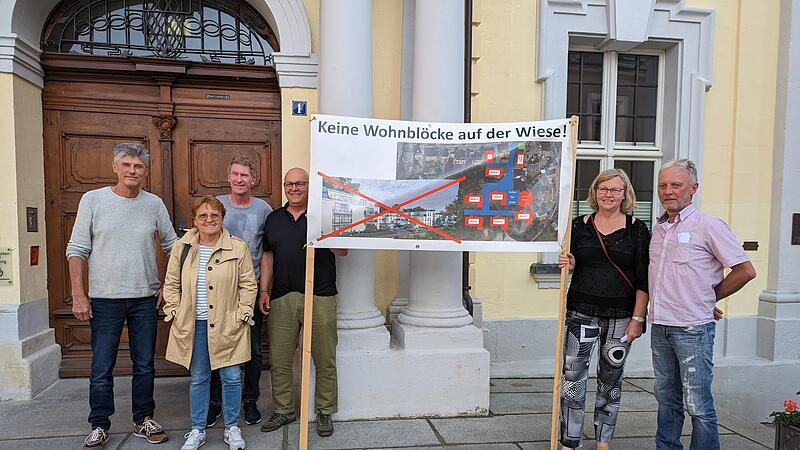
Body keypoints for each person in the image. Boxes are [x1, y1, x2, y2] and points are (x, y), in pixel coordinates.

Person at [66, 143, 176, 450]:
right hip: (105, 298)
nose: (132, 171)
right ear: (116, 167)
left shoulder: (153, 204)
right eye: (126, 165)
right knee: (102, 366)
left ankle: (144, 419)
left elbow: (173, 246)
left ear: (145, 171)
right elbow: (76, 249)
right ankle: (99, 425)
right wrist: (78, 293)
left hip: (145, 298)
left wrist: (168, 284)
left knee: (145, 365)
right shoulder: (93, 200)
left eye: (138, 166)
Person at [649, 159, 756, 450]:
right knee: (666, 399)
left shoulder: (708, 226)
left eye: (676, 185)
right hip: (660, 326)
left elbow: (745, 270)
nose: (668, 191)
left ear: (693, 188)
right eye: (663, 185)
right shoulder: (658, 229)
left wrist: (708, 298)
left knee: (697, 403)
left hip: (692, 329)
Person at [557, 168, 651, 450]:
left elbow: (644, 278)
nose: (608, 194)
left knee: (610, 381)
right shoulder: (579, 225)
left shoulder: (637, 229)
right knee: (572, 379)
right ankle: (570, 441)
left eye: (615, 190)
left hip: (621, 317)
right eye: (603, 189)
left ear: (625, 195)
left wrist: (638, 318)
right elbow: (575, 263)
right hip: (580, 312)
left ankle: (603, 442)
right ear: (595, 193)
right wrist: (570, 265)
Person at [162, 195, 257, 450]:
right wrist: (173, 310)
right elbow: (171, 283)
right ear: (194, 220)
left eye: (214, 215)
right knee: (199, 378)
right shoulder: (182, 248)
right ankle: (197, 429)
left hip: (229, 323)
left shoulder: (238, 247)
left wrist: (243, 312)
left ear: (222, 218)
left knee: (232, 377)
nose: (209, 220)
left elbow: (248, 284)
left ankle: (232, 428)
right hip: (195, 324)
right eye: (203, 215)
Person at [258, 168, 347, 437]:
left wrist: (324, 227)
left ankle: (324, 411)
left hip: (319, 295)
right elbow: (268, 256)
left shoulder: (324, 215)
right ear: (284, 187)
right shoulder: (274, 219)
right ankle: (284, 410)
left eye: (300, 183)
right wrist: (264, 290)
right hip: (282, 297)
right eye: (289, 184)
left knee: (324, 358)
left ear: (310, 186)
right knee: (281, 359)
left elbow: (343, 250)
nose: (294, 188)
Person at [207, 156, 273, 427]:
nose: (239, 179)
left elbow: (267, 253)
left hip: (250, 289)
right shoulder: (216, 206)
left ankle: (250, 401)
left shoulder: (264, 210)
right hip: (218, 291)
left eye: (244, 175)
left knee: (254, 350)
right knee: (215, 347)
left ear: (253, 180)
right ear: (229, 177)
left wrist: (263, 290)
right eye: (235, 174)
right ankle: (214, 402)